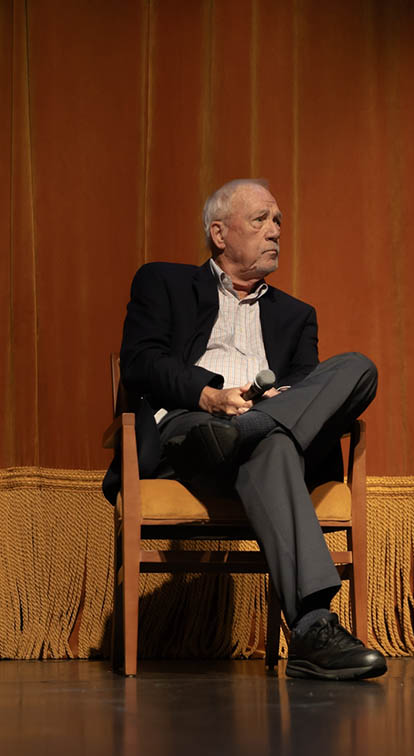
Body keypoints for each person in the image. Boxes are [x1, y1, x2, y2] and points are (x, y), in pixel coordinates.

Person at [103, 179, 387, 681]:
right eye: (260, 219)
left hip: (259, 436)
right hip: (192, 433)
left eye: (278, 221)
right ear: (219, 233)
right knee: (272, 441)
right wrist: (209, 396)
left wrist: (266, 410)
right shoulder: (162, 282)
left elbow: (307, 390)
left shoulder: (297, 316)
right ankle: (314, 627)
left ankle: (311, 629)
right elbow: (141, 362)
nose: (275, 230)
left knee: (355, 370)